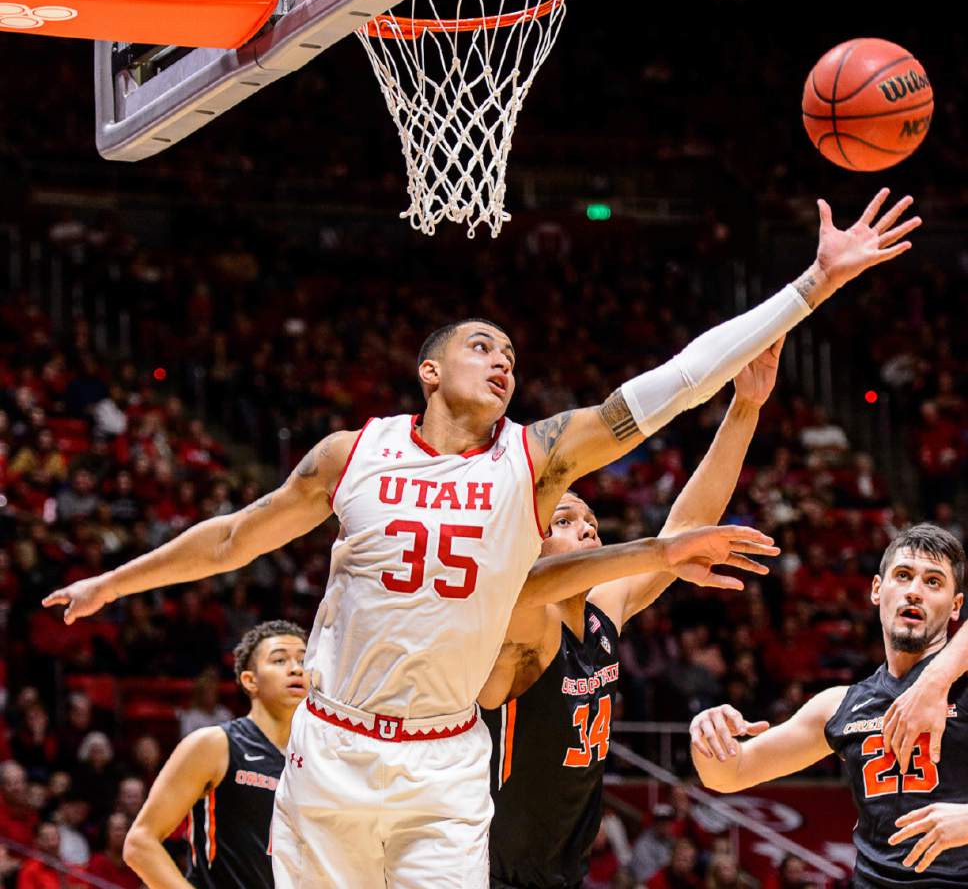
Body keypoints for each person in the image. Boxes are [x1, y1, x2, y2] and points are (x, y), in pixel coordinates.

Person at [44, 190, 919, 887]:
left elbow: (671, 386)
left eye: (511, 354)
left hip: (445, 759)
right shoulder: (353, 453)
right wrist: (116, 583)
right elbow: (235, 537)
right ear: (430, 370)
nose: (504, 361)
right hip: (332, 743)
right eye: (481, 347)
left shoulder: (535, 459)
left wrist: (813, 285)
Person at [481, 341, 784, 888]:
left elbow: (683, 531)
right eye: (569, 520)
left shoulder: (599, 611)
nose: (590, 527)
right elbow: (520, 588)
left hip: (561, 872)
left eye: (593, 520)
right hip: (489, 873)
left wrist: (745, 409)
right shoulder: (522, 620)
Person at [689, 524, 968, 887]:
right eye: (903, 575)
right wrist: (707, 735)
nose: (914, 591)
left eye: (933, 582)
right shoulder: (841, 704)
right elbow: (729, 775)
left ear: (956, 607)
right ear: (876, 590)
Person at [123, 621, 307, 888]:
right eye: (279, 660)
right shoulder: (215, 744)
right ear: (250, 680)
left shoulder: (319, 761)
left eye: (304, 660)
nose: (296, 668)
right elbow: (140, 843)